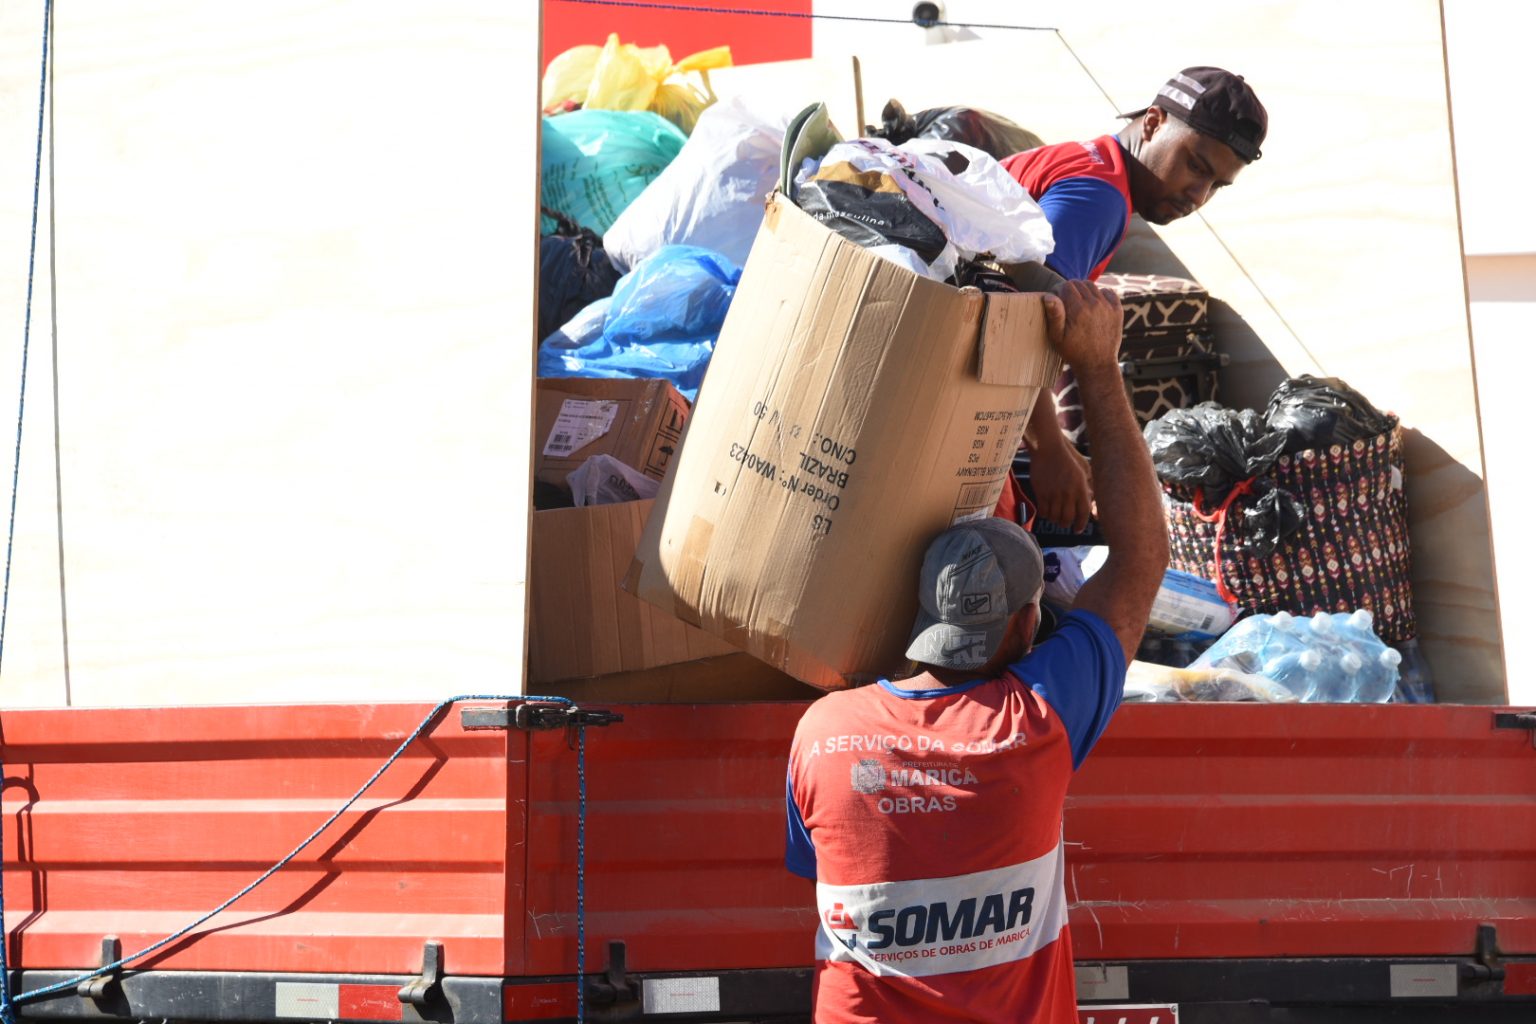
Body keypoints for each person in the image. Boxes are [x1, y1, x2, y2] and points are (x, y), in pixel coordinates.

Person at [785, 281, 1169, 1023]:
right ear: (1029, 629)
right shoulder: (1039, 720)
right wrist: (1097, 367)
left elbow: (829, 867)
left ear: (922, 611)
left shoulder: (823, 733)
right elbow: (1140, 560)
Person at [1006, 67, 1268, 534]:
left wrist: (1062, 450)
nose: (1198, 196)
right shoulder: (1099, 196)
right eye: (1197, 166)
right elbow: (1017, 315)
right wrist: (1047, 448)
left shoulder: (1086, 161)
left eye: (1217, 186)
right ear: (1153, 122)